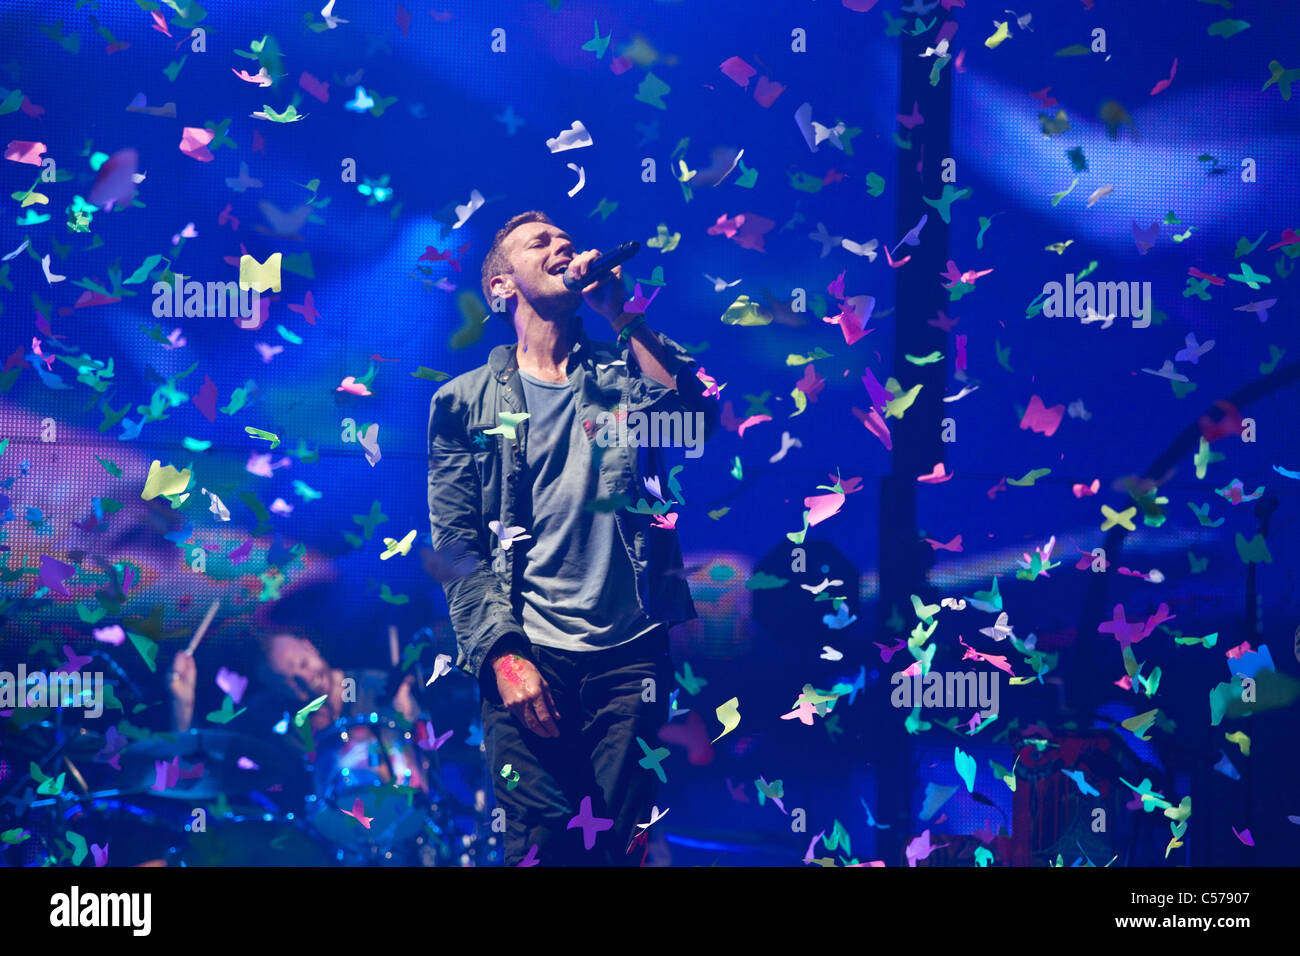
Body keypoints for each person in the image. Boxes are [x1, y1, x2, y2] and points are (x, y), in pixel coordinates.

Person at [427, 210, 719, 865]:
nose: (562, 247)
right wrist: (503, 657)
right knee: (538, 849)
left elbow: (695, 421)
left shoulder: (621, 378)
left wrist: (624, 314)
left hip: (629, 659)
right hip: (528, 657)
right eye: (540, 243)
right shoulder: (461, 402)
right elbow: (457, 546)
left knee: (615, 851)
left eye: (566, 240)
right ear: (502, 287)